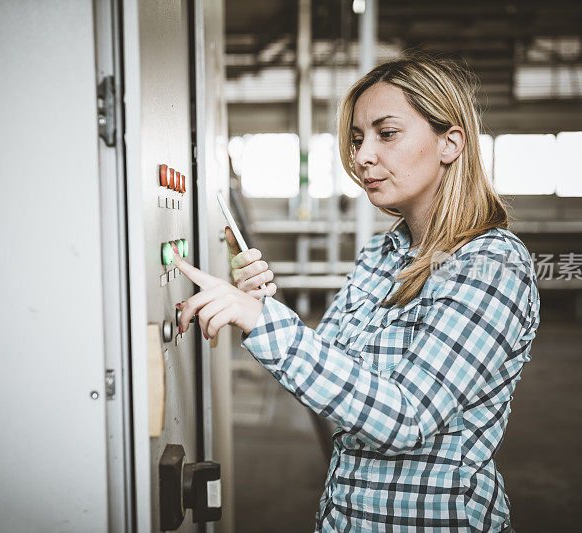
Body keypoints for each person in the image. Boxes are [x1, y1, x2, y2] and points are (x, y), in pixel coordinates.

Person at [173, 52, 539, 533]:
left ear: (450, 143)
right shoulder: (379, 255)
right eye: (358, 139)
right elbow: (329, 374)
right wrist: (261, 308)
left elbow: (405, 418)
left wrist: (265, 324)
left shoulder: (491, 265)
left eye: (386, 134)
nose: (363, 156)